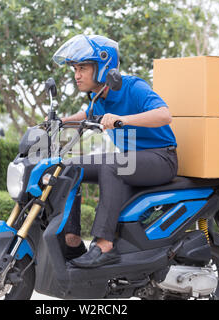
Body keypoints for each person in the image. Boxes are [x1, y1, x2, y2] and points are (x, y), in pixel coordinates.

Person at [52, 34, 178, 268]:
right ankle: (72, 240)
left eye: (82, 68)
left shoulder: (134, 87)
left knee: (112, 165)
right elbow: (87, 115)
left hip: (161, 157)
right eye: (74, 69)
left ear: (102, 67)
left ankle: (104, 245)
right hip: (132, 160)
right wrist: (60, 121)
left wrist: (122, 119)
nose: (76, 75)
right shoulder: (98, 97)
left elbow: (164, 115)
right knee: (70, 166)